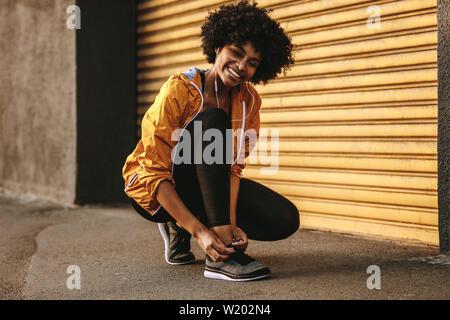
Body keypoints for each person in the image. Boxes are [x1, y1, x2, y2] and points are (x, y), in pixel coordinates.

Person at [123, 1, 298, 281]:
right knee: (213, 120)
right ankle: (196, 241)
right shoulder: (179, 89)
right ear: (218, 47)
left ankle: (217, 238)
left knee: (284, 218)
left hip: (206, 184)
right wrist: (201, 232)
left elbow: (231, 169)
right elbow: (152, 171)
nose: (241, 67)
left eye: (252, 63)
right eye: (236, 53)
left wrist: (227, 226)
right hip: (154, 188)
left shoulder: (249, 101)